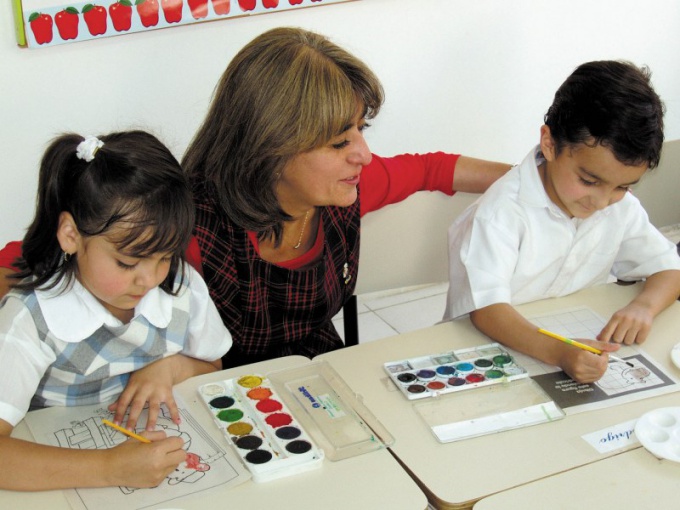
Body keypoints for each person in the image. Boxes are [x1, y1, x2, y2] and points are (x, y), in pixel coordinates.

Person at [0, 27, 510, 369]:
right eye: (340, 141)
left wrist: (532, 178)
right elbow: (32, 259)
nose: (364, 154)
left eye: (361, 129)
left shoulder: (347, 188)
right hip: (213, 387)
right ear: (273, 147)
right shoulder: (189, 221)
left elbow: (435, 169)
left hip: (317, 377)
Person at [0, 131, 232, 491]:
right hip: (60, 478)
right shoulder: (31, 320)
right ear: (71, 235)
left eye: (165, 256)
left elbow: (212, 366)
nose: (150, 279)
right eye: (127, 263)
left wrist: (169, 368)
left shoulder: (180, 285)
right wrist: (110, 468)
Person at [443, 60, 680, 384]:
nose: (601, 201)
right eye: (588, 180)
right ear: (550, 144)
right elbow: (487, 310)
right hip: (486, 351)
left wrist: (644, 307)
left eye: (622, 186)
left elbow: (669, 268)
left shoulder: (619, 207)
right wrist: (559, 352)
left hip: (570, 340)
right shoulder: (500, 213)